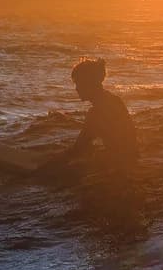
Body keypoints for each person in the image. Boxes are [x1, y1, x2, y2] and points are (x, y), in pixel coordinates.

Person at [39, 57, 142, 229]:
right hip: (130, 164)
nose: (76, 88)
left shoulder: (97, 112)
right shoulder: (114, 100)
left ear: (89, 84)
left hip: (117, 172)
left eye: (78, 83)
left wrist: (47, 165)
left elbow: (78, 149)